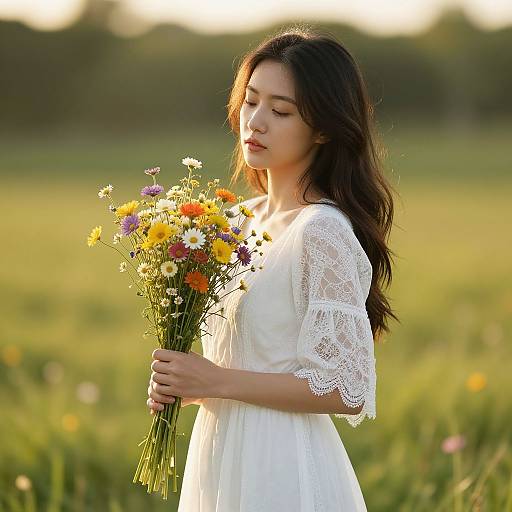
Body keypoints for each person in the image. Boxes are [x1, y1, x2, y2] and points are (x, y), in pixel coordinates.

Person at [147, 25, 399, 510]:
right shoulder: (236, 223)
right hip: (219, 453)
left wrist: (215, 380)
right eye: (250, 101)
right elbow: (242, 354)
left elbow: (347, 388)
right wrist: (184, 380)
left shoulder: (321, 231)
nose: (255, 122)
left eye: (280, 111)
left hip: (281, 462)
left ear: (323, 128)